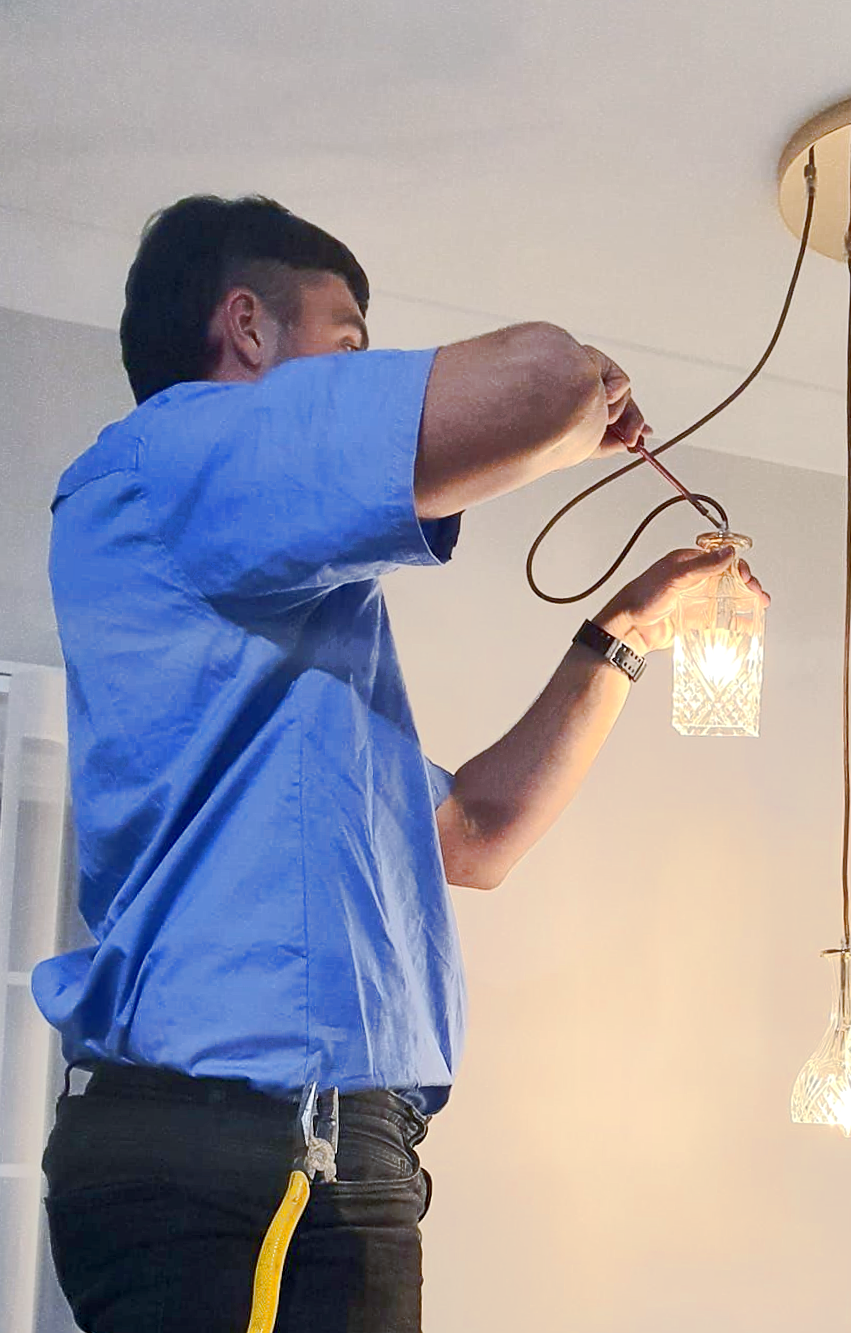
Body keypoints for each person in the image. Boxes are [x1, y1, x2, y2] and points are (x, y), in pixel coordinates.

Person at [32, 194, 767, 1333]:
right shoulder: (175, 454)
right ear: (248, 330)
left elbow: (475, 835)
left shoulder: (282, 656)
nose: (360, 379)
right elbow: (542, 381)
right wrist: (588, 390)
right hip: (250, 1149)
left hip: (305, 1147)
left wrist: (623, 628)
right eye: (347, 347)